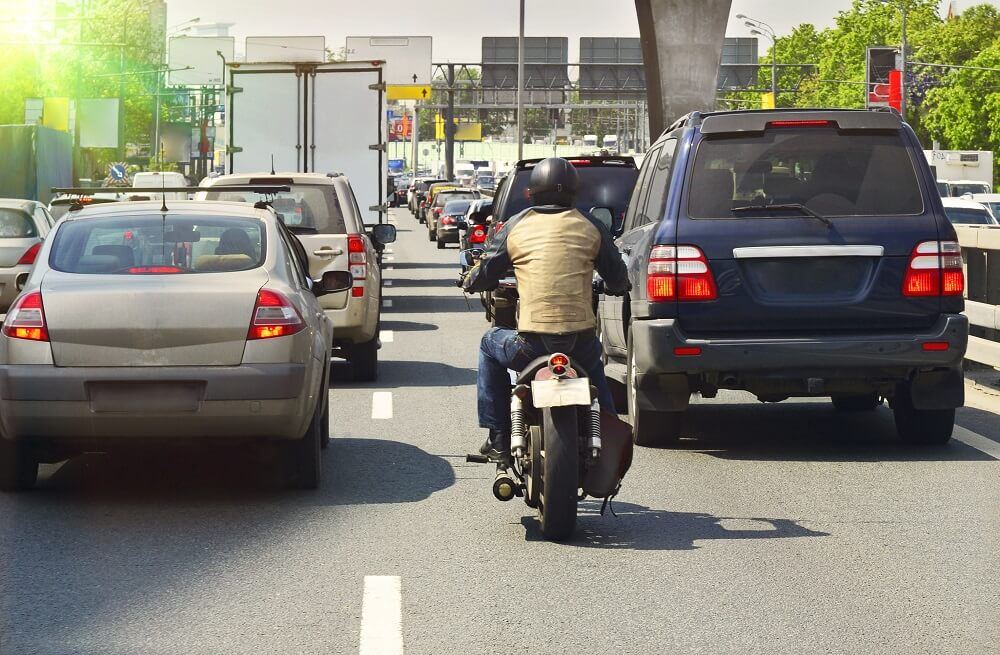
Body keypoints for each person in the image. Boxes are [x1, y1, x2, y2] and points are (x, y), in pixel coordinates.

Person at [462, 157, 630, 461]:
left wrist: (471, 281)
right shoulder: (591, 226)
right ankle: (609, 434)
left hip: (529, 345)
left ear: (532, 192)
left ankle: (498, 436)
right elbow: (618, 277)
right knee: (597, 374)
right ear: (574, 192)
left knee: (489, 345)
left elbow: (486, 271)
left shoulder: (516, 226)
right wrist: (618, 286)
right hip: (580, 343)